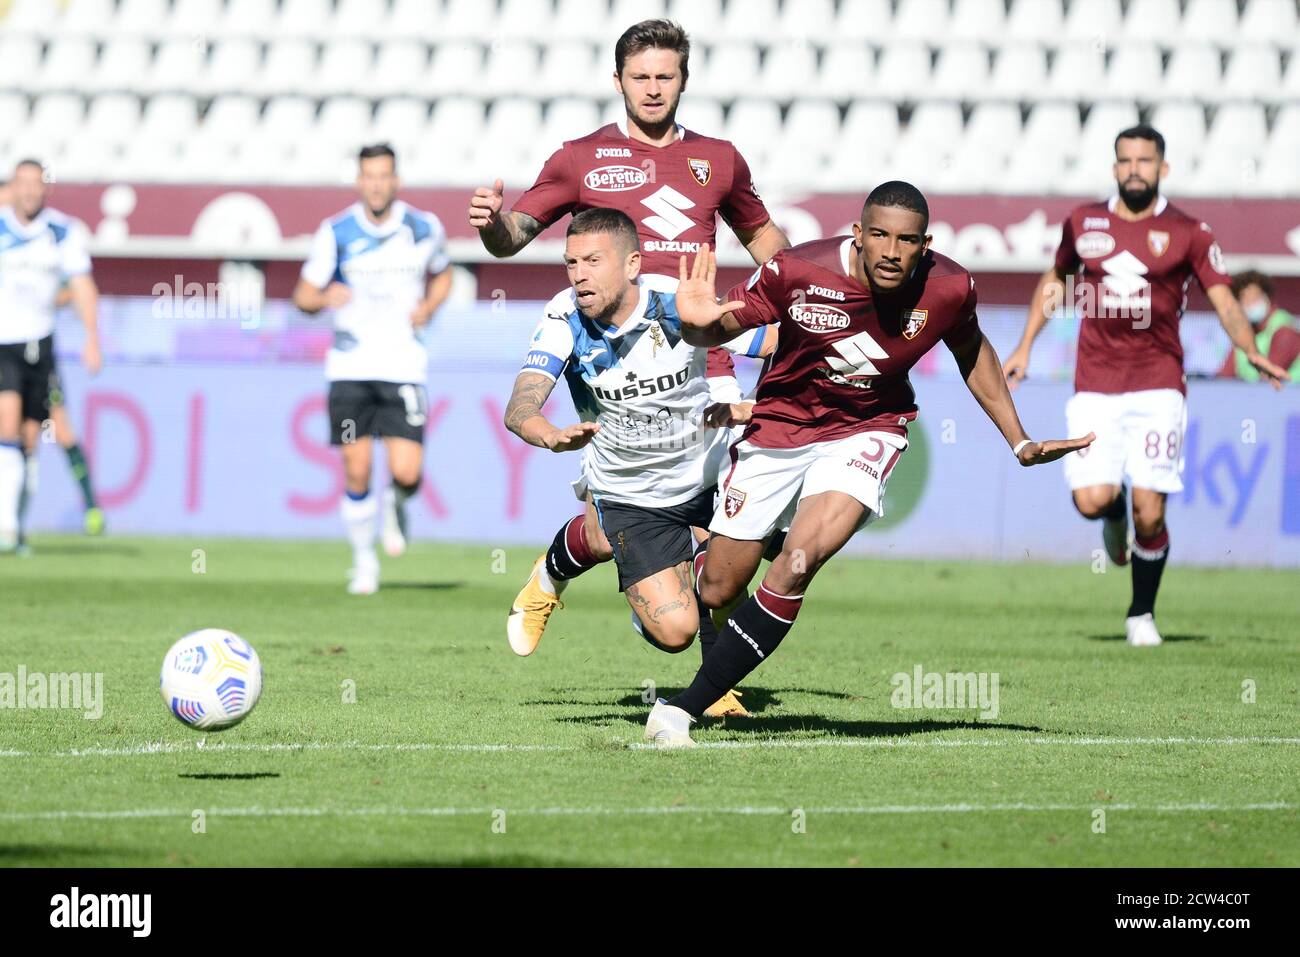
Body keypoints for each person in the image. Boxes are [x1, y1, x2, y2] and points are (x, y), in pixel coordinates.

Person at [641, 182, 1093, 747]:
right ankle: (696, 558)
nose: (891, 250)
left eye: (906, 240)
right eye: (878, 234)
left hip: (867, 428)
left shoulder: (950, 287)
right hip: (780, 426)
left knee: (797, 565)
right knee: (716, 591)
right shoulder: (796, 270)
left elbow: (972, 350)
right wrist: (693, 322)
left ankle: (679, 711)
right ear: (858, 234)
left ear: (924, 246)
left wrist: (1019, 440)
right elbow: (719, 327)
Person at [470, 19, 789, 679]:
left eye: (664, 76)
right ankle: (567, 570)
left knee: (728, 527)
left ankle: (710, 671)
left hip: (705, 352)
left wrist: (825, 290)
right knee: (630, 505)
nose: (652, 88)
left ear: (683, 80)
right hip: (613, 359)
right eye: (639, 76)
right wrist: (492, 225)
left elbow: (774, 255)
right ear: (617, 80)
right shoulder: (578, 158)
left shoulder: (720, 160)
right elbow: (513, 239)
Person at [1002, 126, 1288, 647]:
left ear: (1163, 168)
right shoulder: (1082, 222)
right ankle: (1112, 520)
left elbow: (1224, 299)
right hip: (1093, 384)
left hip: (1158, 386)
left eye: (1145, 160)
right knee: (1092, 500)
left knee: (1151, 509)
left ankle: (1141, 614)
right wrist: (1024, 345)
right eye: (1126, 160)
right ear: (1114, 168)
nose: (1135, 168)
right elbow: (1055, 279)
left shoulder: (1190, 232)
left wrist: (1248, 349)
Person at [504, 209, 770, 716]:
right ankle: (555, 578)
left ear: (632, 265)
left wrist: (758, 403)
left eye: (592, 261)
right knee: (674, 632)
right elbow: (519, 409)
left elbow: (778, 341)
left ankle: (714, 689)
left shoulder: (677, 302)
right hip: (629, 493)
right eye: (570, 263)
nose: (578, 273)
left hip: (705, 473)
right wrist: (551, 435)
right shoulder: (565, 318)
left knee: (730, 577)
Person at [294, 144, 452, 594]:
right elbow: (302, 297)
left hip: (404, 366)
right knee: (356, 466)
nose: (377, 184)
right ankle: (364, 562)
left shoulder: (423, 227)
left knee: (406, 473)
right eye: (369, 176)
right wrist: (324, 297)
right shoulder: (337, 232)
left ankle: (394, 503)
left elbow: (444, 274)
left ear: (395, 179)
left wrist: (430, 305)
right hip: (350, 369)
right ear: (360, 180)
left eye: (384, 175)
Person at [0, 159, 102, 553]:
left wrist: (92, 336)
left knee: (31, 437)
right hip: (3, 341)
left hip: (40, 346)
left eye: (35, 184)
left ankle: (18, 528)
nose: (28, 191)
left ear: (46, 189)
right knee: (6, 421)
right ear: (12, 187)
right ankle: (6, 528)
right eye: (21, 183)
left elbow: (81, 285)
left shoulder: (62, 232)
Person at [1216, 270, 1300, 383]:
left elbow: (1269, 379)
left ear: (1267, 298)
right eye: (1244, 299)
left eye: (1253, 297)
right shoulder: (1244, 335)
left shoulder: (1285, 332)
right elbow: (1224, 376)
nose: (1249, 303)